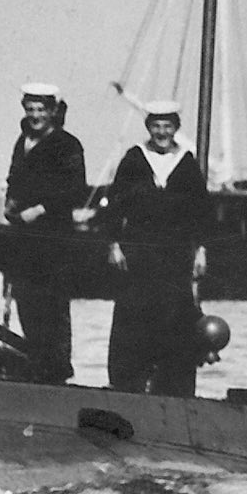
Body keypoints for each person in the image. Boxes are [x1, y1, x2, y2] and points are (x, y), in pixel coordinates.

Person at [100, 99, 212, 396]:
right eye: (156, 126)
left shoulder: (186, 163)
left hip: (175, 254)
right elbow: (115, 204)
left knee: (176, 315)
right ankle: (128, 380)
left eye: (167, 126)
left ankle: (174, 384)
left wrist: (200, 249)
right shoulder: (135, 159)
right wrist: (114, 244)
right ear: (148, 127)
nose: (162, 132)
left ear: (175, 128)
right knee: (133, 314)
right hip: (139, 250)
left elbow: (201, 211)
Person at [1, 82, 88, 385]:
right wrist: (10, 204)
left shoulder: (67, 145)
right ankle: (37, 364)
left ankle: (57, 370)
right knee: (27, 301)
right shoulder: (22, 142)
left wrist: (39, 209)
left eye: (41, 110)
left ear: (52, 111)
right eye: (30, 109)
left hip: (53, 241)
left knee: (52, 306)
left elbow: (75, 190)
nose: (36, 115)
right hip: (24, 241)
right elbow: (14, 179)